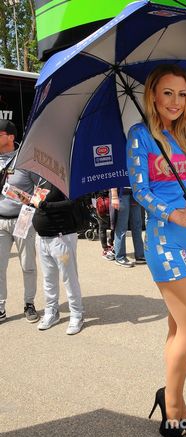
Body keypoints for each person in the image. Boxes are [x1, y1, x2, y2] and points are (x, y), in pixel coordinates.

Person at [126, 64, 186, 437]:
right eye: (167, 93)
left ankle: (170, 393)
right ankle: (173, 405)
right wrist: (173, 212)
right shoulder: (140, 135)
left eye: (182, 94)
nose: (176, 101)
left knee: (178, 326)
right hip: (164, 239)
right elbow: (140, 190)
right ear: (153, 96)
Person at [32, 181, 84, 334]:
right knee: (48, 279)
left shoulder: (67, 181)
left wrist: (42, 205)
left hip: (61, 238)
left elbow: (71, 203)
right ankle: (51, 312)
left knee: (69, 278)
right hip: (42, 238)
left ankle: (77, 314)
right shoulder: (42, 180)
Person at [0, 119, 38, 323]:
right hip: (0, 221)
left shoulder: (25, 159)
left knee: (28, 265)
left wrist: (19, 196)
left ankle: (29, 303)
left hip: (23, 218)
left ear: (10, 137)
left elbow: (41, 190)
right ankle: (0, 307)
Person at [110, 186, 146, 267]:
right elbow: (112, 176)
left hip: (135, 192)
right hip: (121, 193)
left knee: (137, 225)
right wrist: (114, 195)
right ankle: (120, 257)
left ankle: (140, 255)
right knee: (122, 227)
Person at [96, 190, 115, 260]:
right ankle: (111, 244)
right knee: (115, 226)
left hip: (102, 202)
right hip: (112, 199)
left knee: (102, 229)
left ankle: (105, 249)